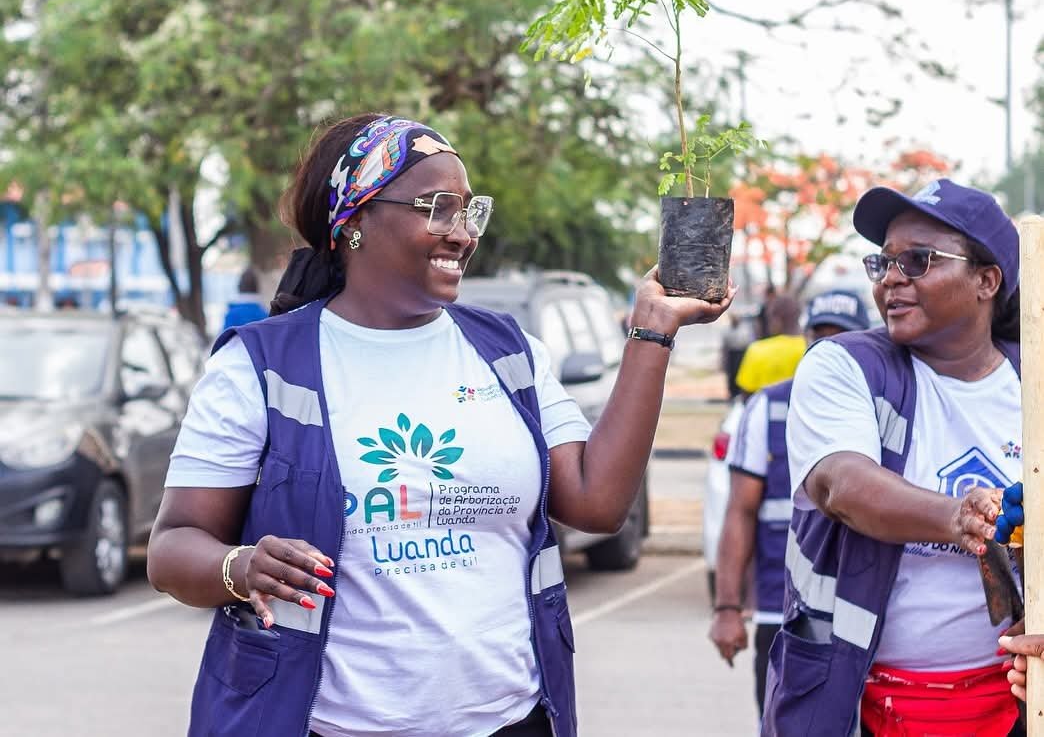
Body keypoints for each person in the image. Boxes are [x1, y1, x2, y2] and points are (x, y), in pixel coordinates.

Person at [146, 113, 734, 737]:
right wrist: (239, 567)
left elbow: (597, 502)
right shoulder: (259, 364)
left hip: (513, 721)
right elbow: (173, 546)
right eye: (436, 208)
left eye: (468, 211)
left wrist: (651, 332)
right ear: (354, 223)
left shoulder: (508, 352)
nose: (462, 233)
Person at [761, 179, 1023, 737]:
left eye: (919, 260)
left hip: (1012, 705)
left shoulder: (1036, 382)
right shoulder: (843, 366)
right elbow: (841, 485)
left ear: (986, 280)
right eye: (882, 263)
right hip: (853, 702)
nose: (892, 279)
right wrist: (956, 516)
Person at [710, 289, 870, 718]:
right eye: (820, 337)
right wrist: (727, 607)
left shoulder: (886, 405)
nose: (829, 350)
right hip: (782, 614)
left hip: (865, 614)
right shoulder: (768, 407)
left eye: (842, 339)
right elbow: (740, 511)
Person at [733, 293, 805, 396]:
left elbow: (747, 397)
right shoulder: (812, 349)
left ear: (777, 319)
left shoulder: (757, 350)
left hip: (766, 412)